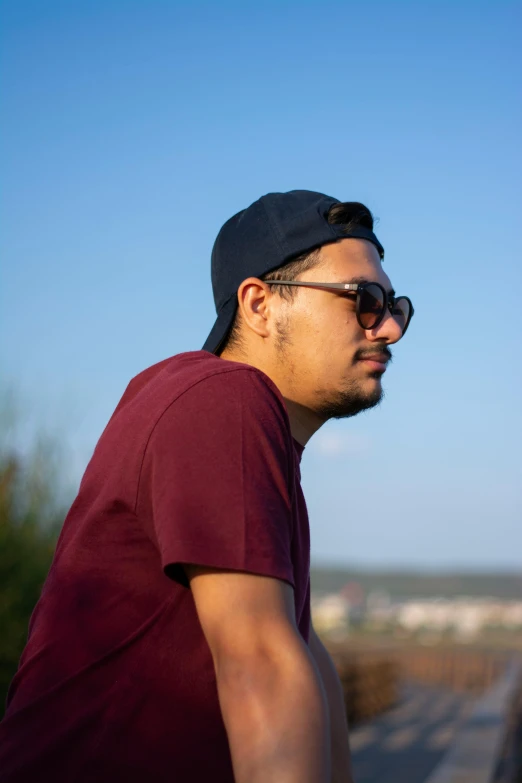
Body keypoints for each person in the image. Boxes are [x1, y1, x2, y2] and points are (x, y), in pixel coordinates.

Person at [0, 190, 413, 783]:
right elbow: (262, 665)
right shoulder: (223, 400)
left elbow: (304, 654)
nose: (391, 328)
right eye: (364, 300)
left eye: (396, 304)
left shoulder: (248, 437)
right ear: (260, 303)